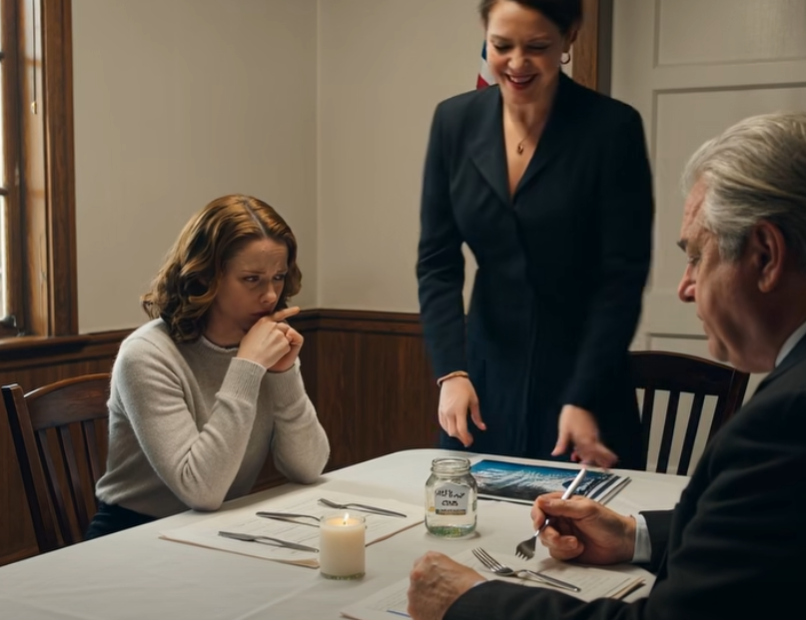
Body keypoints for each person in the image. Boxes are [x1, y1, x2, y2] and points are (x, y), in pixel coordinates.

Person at [407, 111, 806, 619]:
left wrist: (472, 602)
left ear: (766, 256)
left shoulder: (784, 422)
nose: (684, 288)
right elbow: (766, 541)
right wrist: (632, 534)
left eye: (697, 257)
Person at [416, 0, 653, 468]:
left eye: (537, 47)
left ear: (569, 38)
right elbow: (437, 262)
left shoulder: (612, 128)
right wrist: (451, 373)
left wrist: (583, 395)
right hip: (482, 380)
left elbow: (622, 278)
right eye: (502, 45)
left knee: (582, 535)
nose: (517, 64)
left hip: (585, 382)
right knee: (467, 528)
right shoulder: (453, 122)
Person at [85, 194, 330, 539]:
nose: (271, 295)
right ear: (205, 277)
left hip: (220, 529)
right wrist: (247, 367)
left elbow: (308, 467)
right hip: (135, 536)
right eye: (251, 279)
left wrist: (283, 373)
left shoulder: (264, 342)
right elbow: (201, 490)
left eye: (278, 276)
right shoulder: (145, 355)